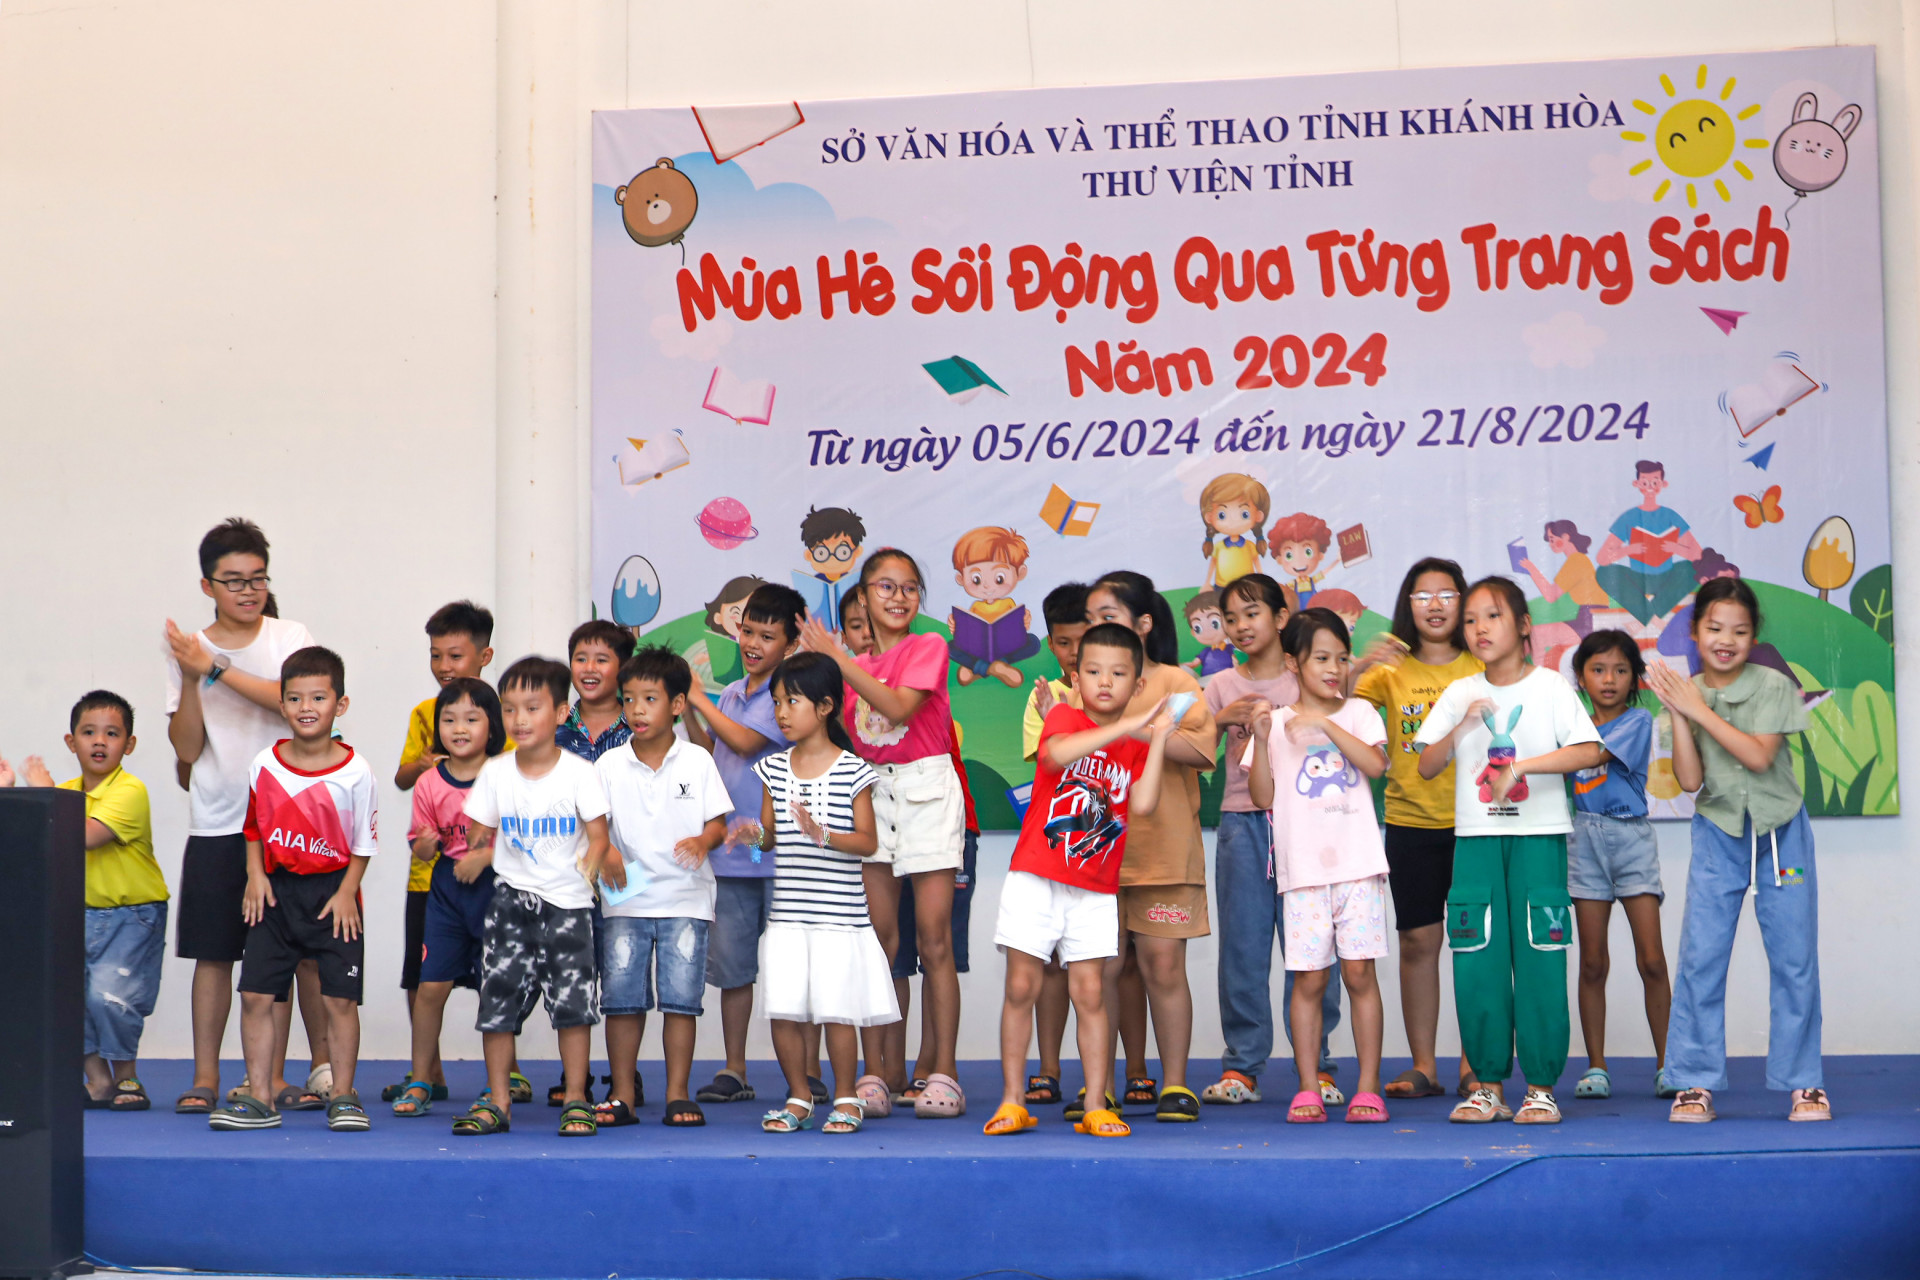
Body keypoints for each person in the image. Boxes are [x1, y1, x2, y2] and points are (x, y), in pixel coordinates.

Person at [1415, 578, 1604, 1126]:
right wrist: (1463, 726)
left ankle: (1541, 1087)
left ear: (1524, 626)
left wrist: (1521, 768)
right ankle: (1487, 1085)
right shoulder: (1459, 693)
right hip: (1475, 843)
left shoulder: (1549, 688)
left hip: (1539, 838)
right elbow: (1426, 765)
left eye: (1491, 617)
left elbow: (1590, 750)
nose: (1478, 629)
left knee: (1541, 959)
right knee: (1478, 962)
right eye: (1470, 619)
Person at [163, 518, 330, 1116]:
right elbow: (186, 747)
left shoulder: (290, 635)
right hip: (217, 819)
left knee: (284, 954)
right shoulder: (189, 649)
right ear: (207, 585)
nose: (247, 590)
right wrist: (189, 675)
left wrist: (216, 668)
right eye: (233, 580)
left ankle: (277, 1077)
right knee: (214, 954)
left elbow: (294, 705)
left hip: (291, 824)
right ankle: (205, 1076)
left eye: (257, 577)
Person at [985, 623, 1177, 1139]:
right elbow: (1055, 756)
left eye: (1118, 673)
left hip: (1095, 886)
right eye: (1092, 671)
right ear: (1076, 676)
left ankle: (1096, 1103)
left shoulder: (1133, 742)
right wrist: (1129, 726)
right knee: (1021, 985)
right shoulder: (1065, 716)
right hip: (1036, 876)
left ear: (1138, 683)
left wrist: (1155, 740)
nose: (1105, 682)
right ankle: (1011, 1100)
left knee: (1090, 992)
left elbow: (1143, 803)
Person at [1648, 578, 1829, 1123]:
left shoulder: (1774, 684)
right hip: (1718, 832)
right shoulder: (1684, 694)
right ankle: (1693, 1082)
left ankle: (1805, 1083)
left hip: (1780, 830)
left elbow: (1757, 757)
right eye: (1714, 628)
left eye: (1740, 631)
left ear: (1753, 637)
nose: (1726, 640)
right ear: (1696, 632)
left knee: (1794, 958)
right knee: (1701, 958)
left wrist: (1696, 708)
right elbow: (1687, 780)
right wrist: (1680, 712)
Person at [798, 550, 963, 1118]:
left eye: (909, 587)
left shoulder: (928, 647)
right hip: (872, 795)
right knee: (877, 941)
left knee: (935, 938)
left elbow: (895, 706)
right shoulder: (848, 662)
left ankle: (944, 1073)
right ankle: (874, 1075)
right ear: (862, 598)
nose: (898, 596)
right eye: (884, 586)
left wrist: (837, 658)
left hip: (926, 791)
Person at [208, 647, 378, 1132]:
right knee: (257, 996)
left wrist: (348, 891)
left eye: (319, 697)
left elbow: (364, 843)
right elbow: (253, 828)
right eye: (295, 697)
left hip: (333, 896)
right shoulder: (265, 763)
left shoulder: (356, 772)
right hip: (275, 896)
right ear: (281, 705)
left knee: (339, 1000)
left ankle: (344, 1095)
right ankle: (260, 1096)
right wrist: (256, 876)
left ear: (339, 705)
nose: (307, 706)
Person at [454, 657, 613, 1137]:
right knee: (496, 1004)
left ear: (562, 714)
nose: (519, 720)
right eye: (510, 709)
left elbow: (600, 835)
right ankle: (497, 1101)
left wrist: (592, 863)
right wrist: (476, 843)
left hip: (567, 907)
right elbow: (477, 833)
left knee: (573, 1006)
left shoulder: (581, 773)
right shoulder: (496, 773)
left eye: (532, 707)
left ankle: (578, 1099)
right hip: (509, 904)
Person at [1201, 573, 1341, 1107]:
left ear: (1282, 619)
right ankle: (1242, 1067)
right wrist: (1219, 720)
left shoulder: (1307, 678)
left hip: (1307, 826)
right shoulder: (1219, 686)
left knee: (1312, 950)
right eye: (1229, 617)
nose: (1239, 626)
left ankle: (1320, 1067)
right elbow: (1195, 751)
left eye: (1251, 613)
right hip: (1242, 825)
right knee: (1243, 947)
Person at [1247, 609, 1392, 1124]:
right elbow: (1262, 796)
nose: (1334, 668)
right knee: (1307, 981)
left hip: (1358, 869)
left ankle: (1368, 1088)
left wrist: (1326, 722)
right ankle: (1308, 1087)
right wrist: (1264, 739)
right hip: (1303, 873)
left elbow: (1376, 766)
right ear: (1293, 662)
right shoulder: (1278, 723)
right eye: (1321, 658)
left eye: (1342, 658)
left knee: (1359, 975)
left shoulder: (1359, 714)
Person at [1083, 571, 1218, 1122]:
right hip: (1096, 858)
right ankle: (1101, 1087)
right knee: (1102, 971)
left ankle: (1177, 1085)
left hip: (1164, 852)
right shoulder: (1085, 683)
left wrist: (1135, 726)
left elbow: (1198, 750)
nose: (1096, 628)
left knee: (1163, 968)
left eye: (1108, 616)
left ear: (1142, 624)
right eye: (1091, 618)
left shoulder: (1176, 681)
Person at [1352, 557, 1483, 1102]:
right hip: (1410, 822)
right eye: (1422, 595)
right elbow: (1329, 707)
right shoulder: (1388, 673)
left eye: (1447, 595)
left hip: (1481, 824)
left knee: (1477, 945)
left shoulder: (1483, 665)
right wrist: (1362, 662)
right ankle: (1424, 1065)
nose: (1434, 605)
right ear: (1408, 605)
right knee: (1418, 942)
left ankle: (1478, 1064)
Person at [751, 653, 895, 1134]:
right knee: (785, 1009)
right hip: (788, 916)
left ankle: (847, 1097)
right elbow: (766, 842)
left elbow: (868, 842)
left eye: (792, 701)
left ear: (826, 706)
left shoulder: (853, 770)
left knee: (837, 1011)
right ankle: (797, 1096)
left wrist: (823, 834)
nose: (782, 712)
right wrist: (752, 839)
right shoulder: (772, 769)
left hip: (839, 919)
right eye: (776, 702)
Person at [595, 646, 731, 1129]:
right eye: (628, 699)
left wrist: (703, 839)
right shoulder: (608, 765)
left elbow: (718, 823)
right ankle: (623, 1094)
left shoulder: (697, 760)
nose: (636, 710)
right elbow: (594, 827)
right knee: (622, 1002)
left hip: (686, 899)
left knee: (680, 1003)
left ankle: (677, 1093)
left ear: (677, 704)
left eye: (649, 698)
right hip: (625, 900)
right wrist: (605, 851)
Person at [14, 692, 166, 1112]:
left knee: (111, 997)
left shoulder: (130, 791)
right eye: (88, 732)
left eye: (112, 733)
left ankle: (127, 1077)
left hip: (131, 914)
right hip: (75, 912)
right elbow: (30, 837)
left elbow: (83, 835)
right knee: (71, 997)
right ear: (71, 741)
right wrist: (9, 793)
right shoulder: (64, 792)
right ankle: (97, 1082)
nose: (100, 742)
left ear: (129, 745)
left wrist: (44, 792)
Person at [385, 600, 509, 1107]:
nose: (443, 666)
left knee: (496, 984)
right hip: (436, 888)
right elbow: (412, 809)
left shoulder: (505, 766)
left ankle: (503, 1079)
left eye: (454, 655)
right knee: (427, 983)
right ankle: (424, 1075)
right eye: (436, 655)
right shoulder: (427, 742)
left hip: (496, 888)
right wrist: (426, 844)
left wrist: (487, 854)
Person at [683, 584, 801, 1107]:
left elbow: (747, 742)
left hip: (774, 853)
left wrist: (693, 694)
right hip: (732, 855)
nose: (753, 643)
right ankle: (735, 1067)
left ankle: (808, 1072)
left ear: (791, 644)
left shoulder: (787, 696)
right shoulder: (730, 694)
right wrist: (691, 710)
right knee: (734, 970)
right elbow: (710, 749)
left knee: (794, 967)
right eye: (748, 630)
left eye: (768, 636)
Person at [1565, 631, 1674, 1102]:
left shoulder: (1638, 720)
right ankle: (1596, 1066)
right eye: (1598, 669)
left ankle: (1672, 1064)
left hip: (1630, 839)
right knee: (1592, 962)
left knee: (1651, 959)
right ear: (1582, 676)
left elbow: (1592, 755)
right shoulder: (1567, 723)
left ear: (1635, 680)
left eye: (1621, 670)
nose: (1609, 679)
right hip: (1581, 840)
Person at [1019, 582, 1088, 1107]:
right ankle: (1046, 1067)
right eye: (1062, 643)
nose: (1073, 654)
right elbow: (1049, 766)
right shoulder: (1042, 698)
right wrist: (1051, 717)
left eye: (1082, 641)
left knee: (1092, 966)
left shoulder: (1114, 694)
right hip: (1053, 846)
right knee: (1047, 964)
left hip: (1102, 852)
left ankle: (1098, 1076)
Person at [1595, 460, 1703, 624]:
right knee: (1603, 572)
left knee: (1691, 568)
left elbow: (1698, 555)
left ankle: (1650, 615)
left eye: (1655, 482)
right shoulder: (1629, 517)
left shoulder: (1670, 516)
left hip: (1666, 577)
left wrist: (1676, 547)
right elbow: (1602, 558)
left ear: (1663, 484)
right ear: (1637, 484)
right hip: (1638, 578)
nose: (1650, 487)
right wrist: (1629, 550)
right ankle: (1652, 617)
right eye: (1645, 482)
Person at [947, 525, 1041, 688]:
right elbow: (969, 632)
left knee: (1033, 642)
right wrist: (957, 627)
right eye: (976, 579)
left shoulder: (1009, 604)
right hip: (979, 649)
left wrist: (1024, 622)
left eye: (999, 578)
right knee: (950, 647)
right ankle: (996, 667)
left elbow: (1020, 628)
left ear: (1020, 573)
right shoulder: (976, 606)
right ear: (961, 579)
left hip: (1006, 646)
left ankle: (978, 669)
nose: (987, 587)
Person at [557, 620, 637, 763]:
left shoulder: (638, 727)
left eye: (601, 660)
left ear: (623, 668)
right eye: (581, 659)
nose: (589, 668)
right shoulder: (555, 727)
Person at [1198, 472, 1271, 589]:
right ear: (1209, 517)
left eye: (1244, 514)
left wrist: (1262, 579)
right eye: (1222, 515)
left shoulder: (1249, 546)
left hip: (1247, 586)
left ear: (1258, 515)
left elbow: (1256, 561)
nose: (1233, 521)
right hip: (1222, 586)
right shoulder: (1219, 546)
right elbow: (1213, 563)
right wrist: (1207, 582)